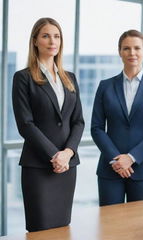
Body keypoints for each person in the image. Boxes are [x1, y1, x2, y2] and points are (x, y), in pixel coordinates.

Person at [12, 17, 84, 232]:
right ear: (35, 41)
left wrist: (68, 153)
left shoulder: (69, 78)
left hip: (67, 167)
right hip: (39, 167)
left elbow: (78, 121)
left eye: (57, 36)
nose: (52, 41)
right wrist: (55, 155)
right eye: (46, 36)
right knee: (41, 228)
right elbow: (25, 124)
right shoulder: (23, 78)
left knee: (63, 228)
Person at [91, 30, 143, 206]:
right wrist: (116, 159)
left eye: (137, 48)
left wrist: (131, 158)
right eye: (126, 48)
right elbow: (96, 128)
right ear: (119, 52)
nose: (132, 53)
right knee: (110, 227)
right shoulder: (105, 86)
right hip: (110, 169)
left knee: (140, 228)